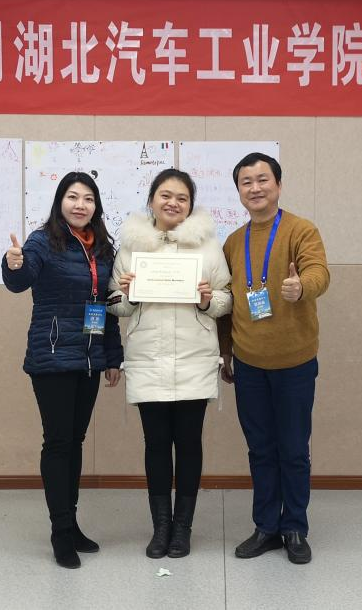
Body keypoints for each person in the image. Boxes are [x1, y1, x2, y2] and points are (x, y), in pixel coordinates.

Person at [1, 171, 123, 570]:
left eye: (88, 198)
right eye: (72, 197)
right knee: (57, 443)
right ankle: (60, 532)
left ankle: (71, 525)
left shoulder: (102, 247)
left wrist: (112, 356)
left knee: (75, 441)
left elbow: (108, 305)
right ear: (60, 202)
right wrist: (12, 265)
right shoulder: (42, 241)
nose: (80, 205)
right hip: (52, 356)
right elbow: (20, 280)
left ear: (96, 206)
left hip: (89, 357)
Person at [109, 169, 232, 559]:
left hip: (194, 357)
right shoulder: (131, 246)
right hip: (148, 357)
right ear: (151, 200)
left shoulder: (208, 246)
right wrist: (128, 294)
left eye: (182, 197)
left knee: (190, 444)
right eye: (165, 195)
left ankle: (183, 528)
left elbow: (226, 300)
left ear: (190, 205)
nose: (173, 203)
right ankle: (160, 527)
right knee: (156, 445)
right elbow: (115, 304)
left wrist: (207, 300)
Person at [219, 152, 329, 565]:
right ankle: (266, 526)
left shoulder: (301, 230)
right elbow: (228, 304)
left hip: (295, 362)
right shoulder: (233, 242)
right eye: (246, 182)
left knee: (294, 450)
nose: (255, 188)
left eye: (262, 179)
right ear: (239, 192)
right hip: (249, 363)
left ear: (278, 185)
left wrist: (302, 288)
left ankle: (295, 527)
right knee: (261, 449)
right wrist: (226, 352)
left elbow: (319, 272)